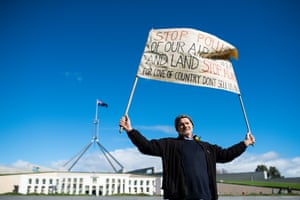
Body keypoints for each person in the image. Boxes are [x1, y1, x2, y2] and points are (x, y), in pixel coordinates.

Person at [119, 114, 255, 200]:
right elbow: (147, 146)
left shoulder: (207, 147)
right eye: (181, 124)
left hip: (206, 196)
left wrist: (245, 143)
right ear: (177, 129)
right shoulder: (170, 144)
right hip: (180, 196)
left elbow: (227, 155)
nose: (185, 125)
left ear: (192, 126)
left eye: (187, 123)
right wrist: (131, 130)